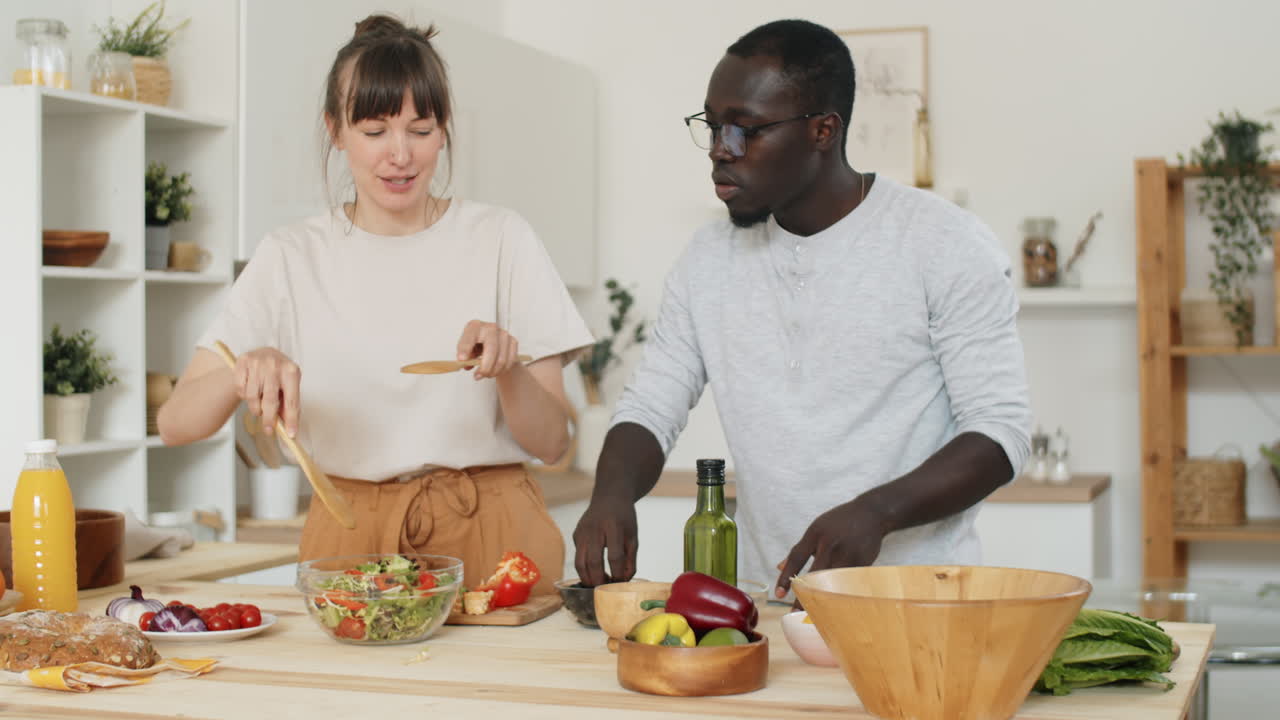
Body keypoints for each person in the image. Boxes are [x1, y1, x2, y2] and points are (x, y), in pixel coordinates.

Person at [572, 19, 1031, 599]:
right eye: (712, 126)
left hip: (919, 603)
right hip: (771, 605)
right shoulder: (708, 259)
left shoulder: (942, 243)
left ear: (823, 131)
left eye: (746, 130)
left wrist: (878, 511)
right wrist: (611, 494)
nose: (720, 150)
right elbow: (651, 405)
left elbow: (999, 433)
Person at [157, 15, 592, 596]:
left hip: (493, 529)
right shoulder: (290, 256)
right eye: (375, 130)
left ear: (444, 130)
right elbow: (176, 424)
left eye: (421, 129)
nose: (400, 156)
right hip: (349, 534)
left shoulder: (502, 239)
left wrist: (508, 369)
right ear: (335, 131)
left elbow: (553, 443)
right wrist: (245, 369)